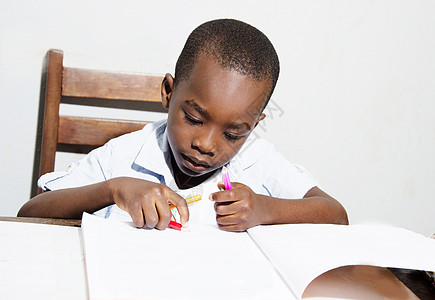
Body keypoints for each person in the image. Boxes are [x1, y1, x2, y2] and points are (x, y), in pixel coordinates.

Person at [18, 19, 348, 231]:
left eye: (234, 133)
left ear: (254, 125)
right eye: (193, 118)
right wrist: (114, 189)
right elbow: (30, 214)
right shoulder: (124, 156)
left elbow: (336, 214)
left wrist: (265, 209)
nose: (206, 144)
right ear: (168, 93)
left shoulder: (257, 162)